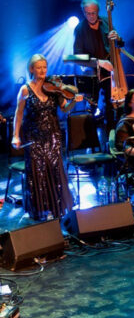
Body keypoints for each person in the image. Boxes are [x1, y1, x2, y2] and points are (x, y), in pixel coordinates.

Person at [12, 54, 83, 220]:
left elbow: (65, 109)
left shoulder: (54, 88)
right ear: (32, 69)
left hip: (53, 135)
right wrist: (15, 135)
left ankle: (55, 209)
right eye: (39, 67)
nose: (43, 70)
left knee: (54, 171)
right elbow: (19, 113)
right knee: (38, 173)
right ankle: (42, 210)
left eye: (44, 67)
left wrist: (74, 101)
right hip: (34, 137)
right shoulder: (25, 90)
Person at [74, 0, 123, 132]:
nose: (90, 16)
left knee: (111, 104)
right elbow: (77, 57)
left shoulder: (107, 21)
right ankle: (91, 141)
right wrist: (99, 62)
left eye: (93, 13)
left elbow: (121, 43)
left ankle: (112, 137)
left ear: (98, 11)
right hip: (92, 73)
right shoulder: (79, 29)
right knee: (92, 107)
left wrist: (117, 38)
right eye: (87, 13)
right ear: (83, 12)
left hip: (110, 71)